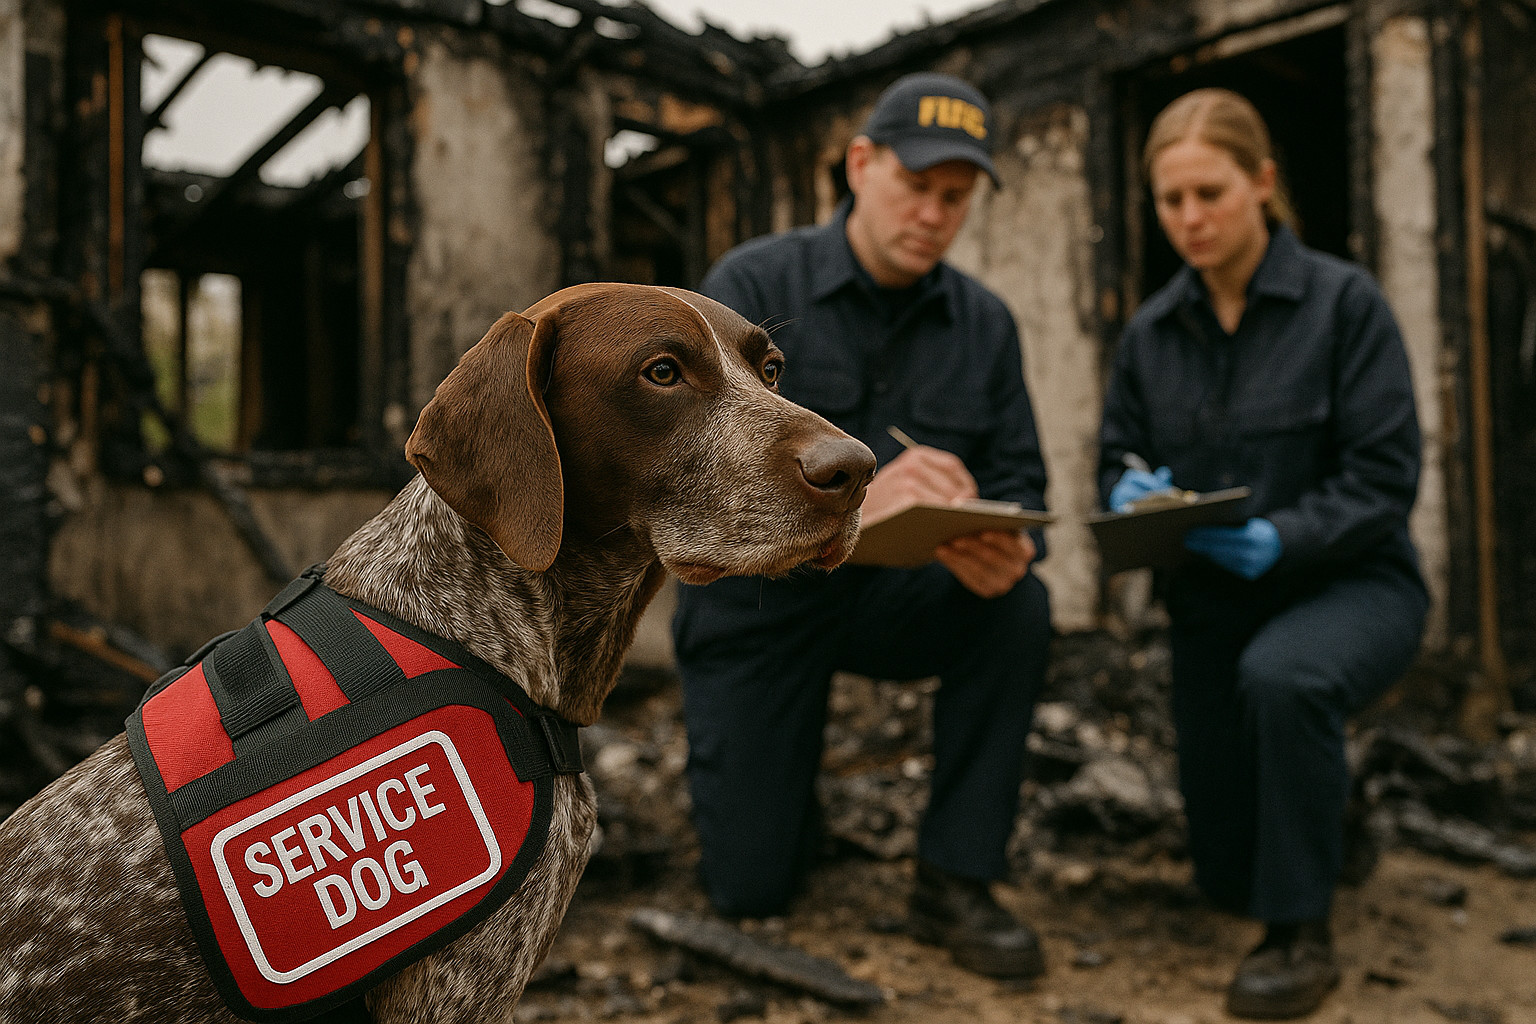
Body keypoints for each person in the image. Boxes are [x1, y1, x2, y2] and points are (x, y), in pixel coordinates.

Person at [671, 72, 1053, 980]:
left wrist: (1004, 544)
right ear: (859, 165)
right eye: (916, 185)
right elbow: (696, 486)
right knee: (752, 888)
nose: (934, 214)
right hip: (758, 603)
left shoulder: (986, 325)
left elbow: (1024, 485)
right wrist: (849, 501)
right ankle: (781, 799)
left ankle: (957, 878)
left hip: (893, 597)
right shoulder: (751, 286)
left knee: (1022, 607)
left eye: (955, 198)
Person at [1098, 88, 1428, 1020]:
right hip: (1214, 601)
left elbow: (1385, 479)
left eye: (1210, 193)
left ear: (1263, 183)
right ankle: (1335, 814)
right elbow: (1115, 458)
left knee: (1286, 679)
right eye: (1171, 200)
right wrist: (1126, 492)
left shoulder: (1345, 306)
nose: (1190, 219)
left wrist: (1286, 536)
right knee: (1223, 877)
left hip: (1352, 584)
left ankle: (1299, 934)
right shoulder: (1151, 335)